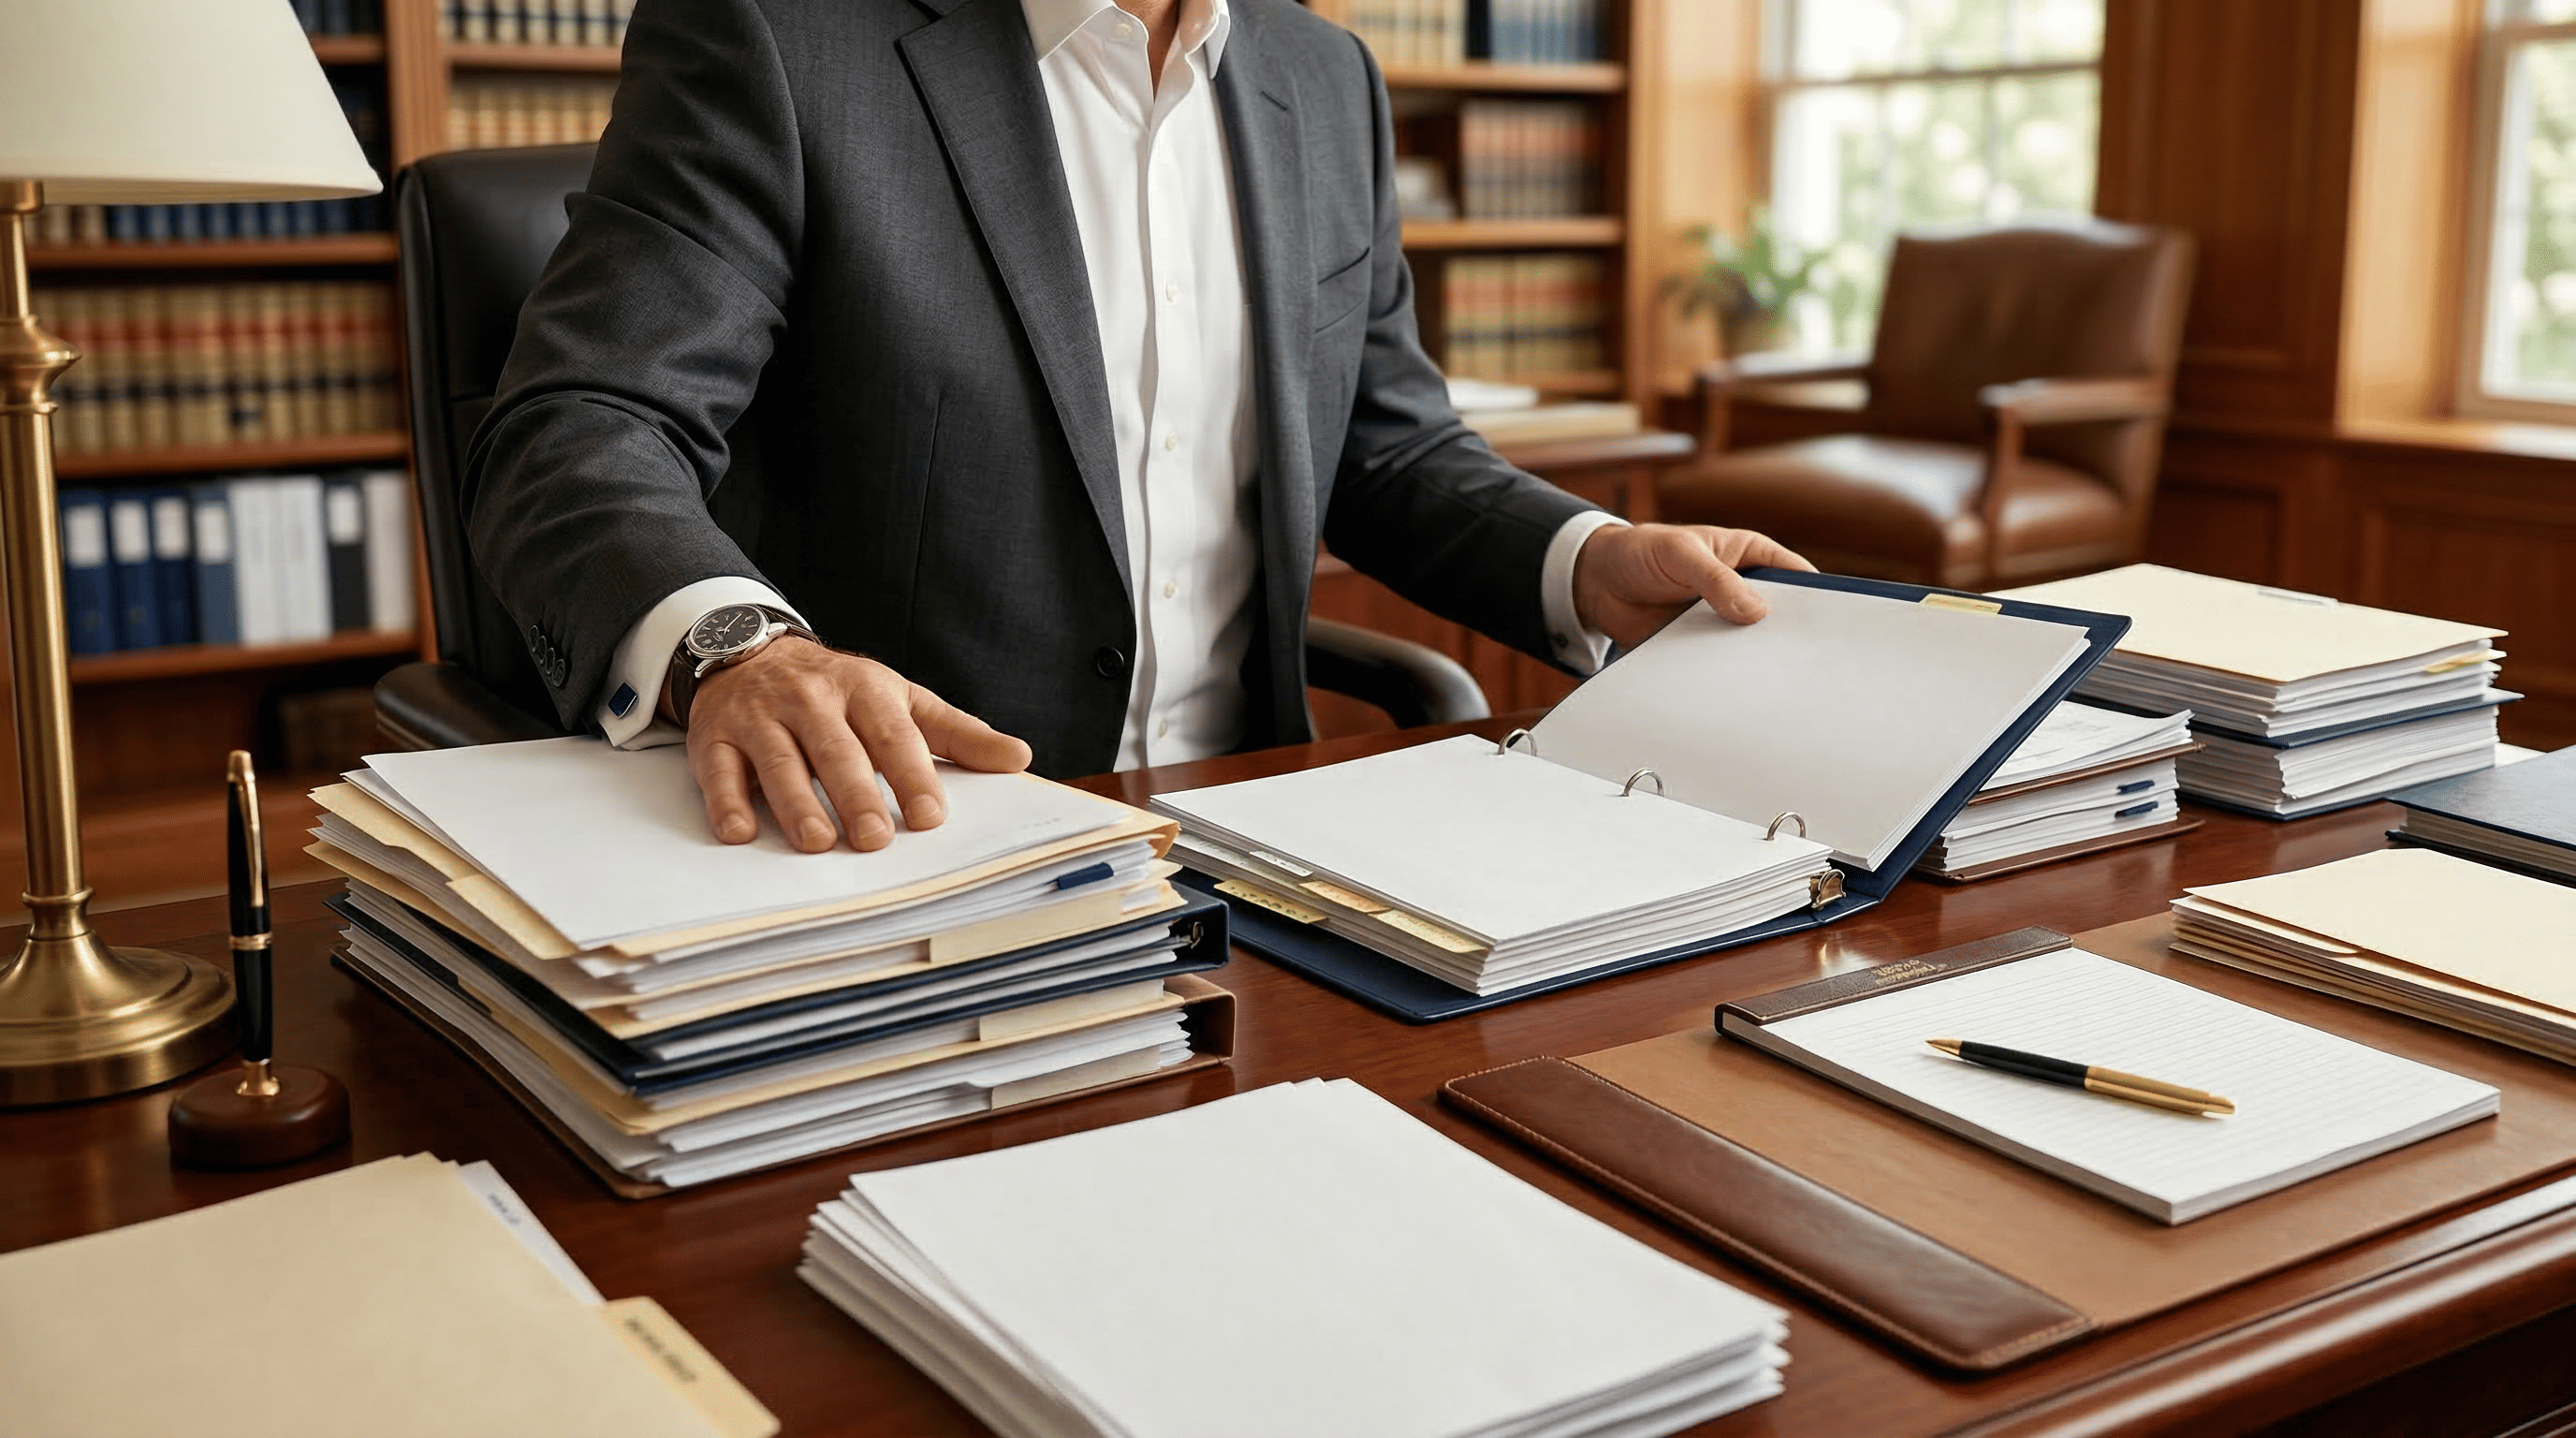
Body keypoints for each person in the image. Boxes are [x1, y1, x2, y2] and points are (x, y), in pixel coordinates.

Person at [465, 0, 1814, 855]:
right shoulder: (772, 33)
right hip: (898, 833)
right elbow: (585, 426)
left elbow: (1389, 450)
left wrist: (1587, 559)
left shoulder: (1322, 75)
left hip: (1263, 847)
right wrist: (739, 655)